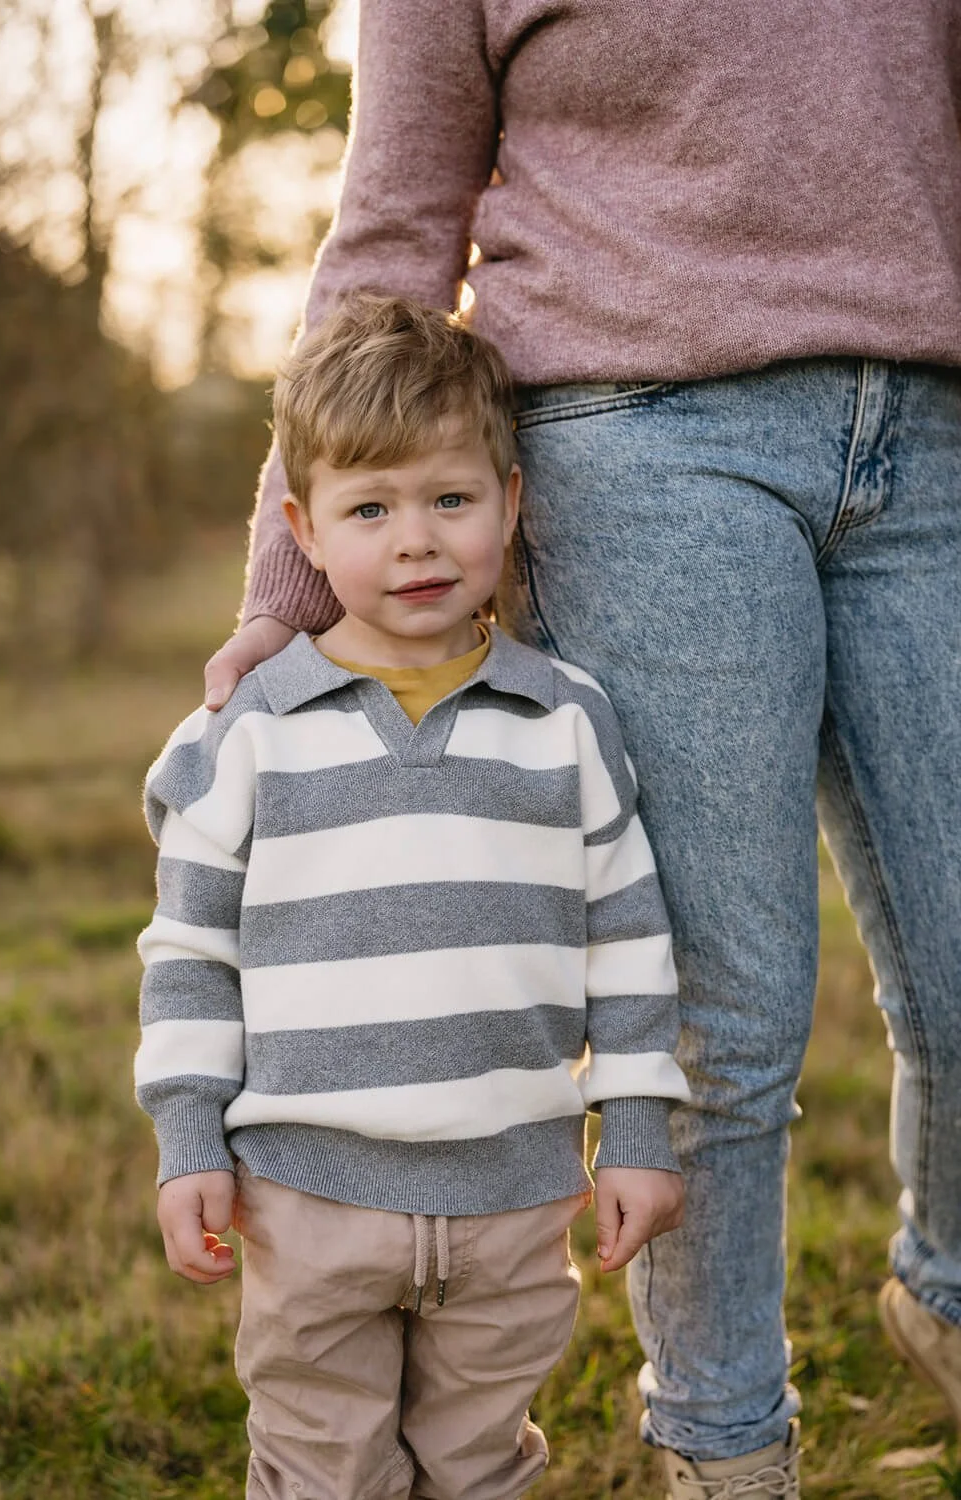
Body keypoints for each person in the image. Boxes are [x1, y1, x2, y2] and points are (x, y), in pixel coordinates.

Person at [203, 7, 961, 1495]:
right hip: (646, 435)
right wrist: (284, 598)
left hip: (934, 425)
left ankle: (944, 1293)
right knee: (729, 1008)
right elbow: (394, 222)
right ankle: (728, 1445)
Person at [137, 294, 689, 1500]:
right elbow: (188, 954)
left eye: (450, 499)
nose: (416, 543)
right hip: (305, 1194)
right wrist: (189, 1139)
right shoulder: (247, 735)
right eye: (370, 509)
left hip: (512, 1195)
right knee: (323, 1469)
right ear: (305, 528)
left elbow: (631, 945)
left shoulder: (566, 720)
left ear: (510, 500)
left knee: (480, 1464)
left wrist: (637, 1128)